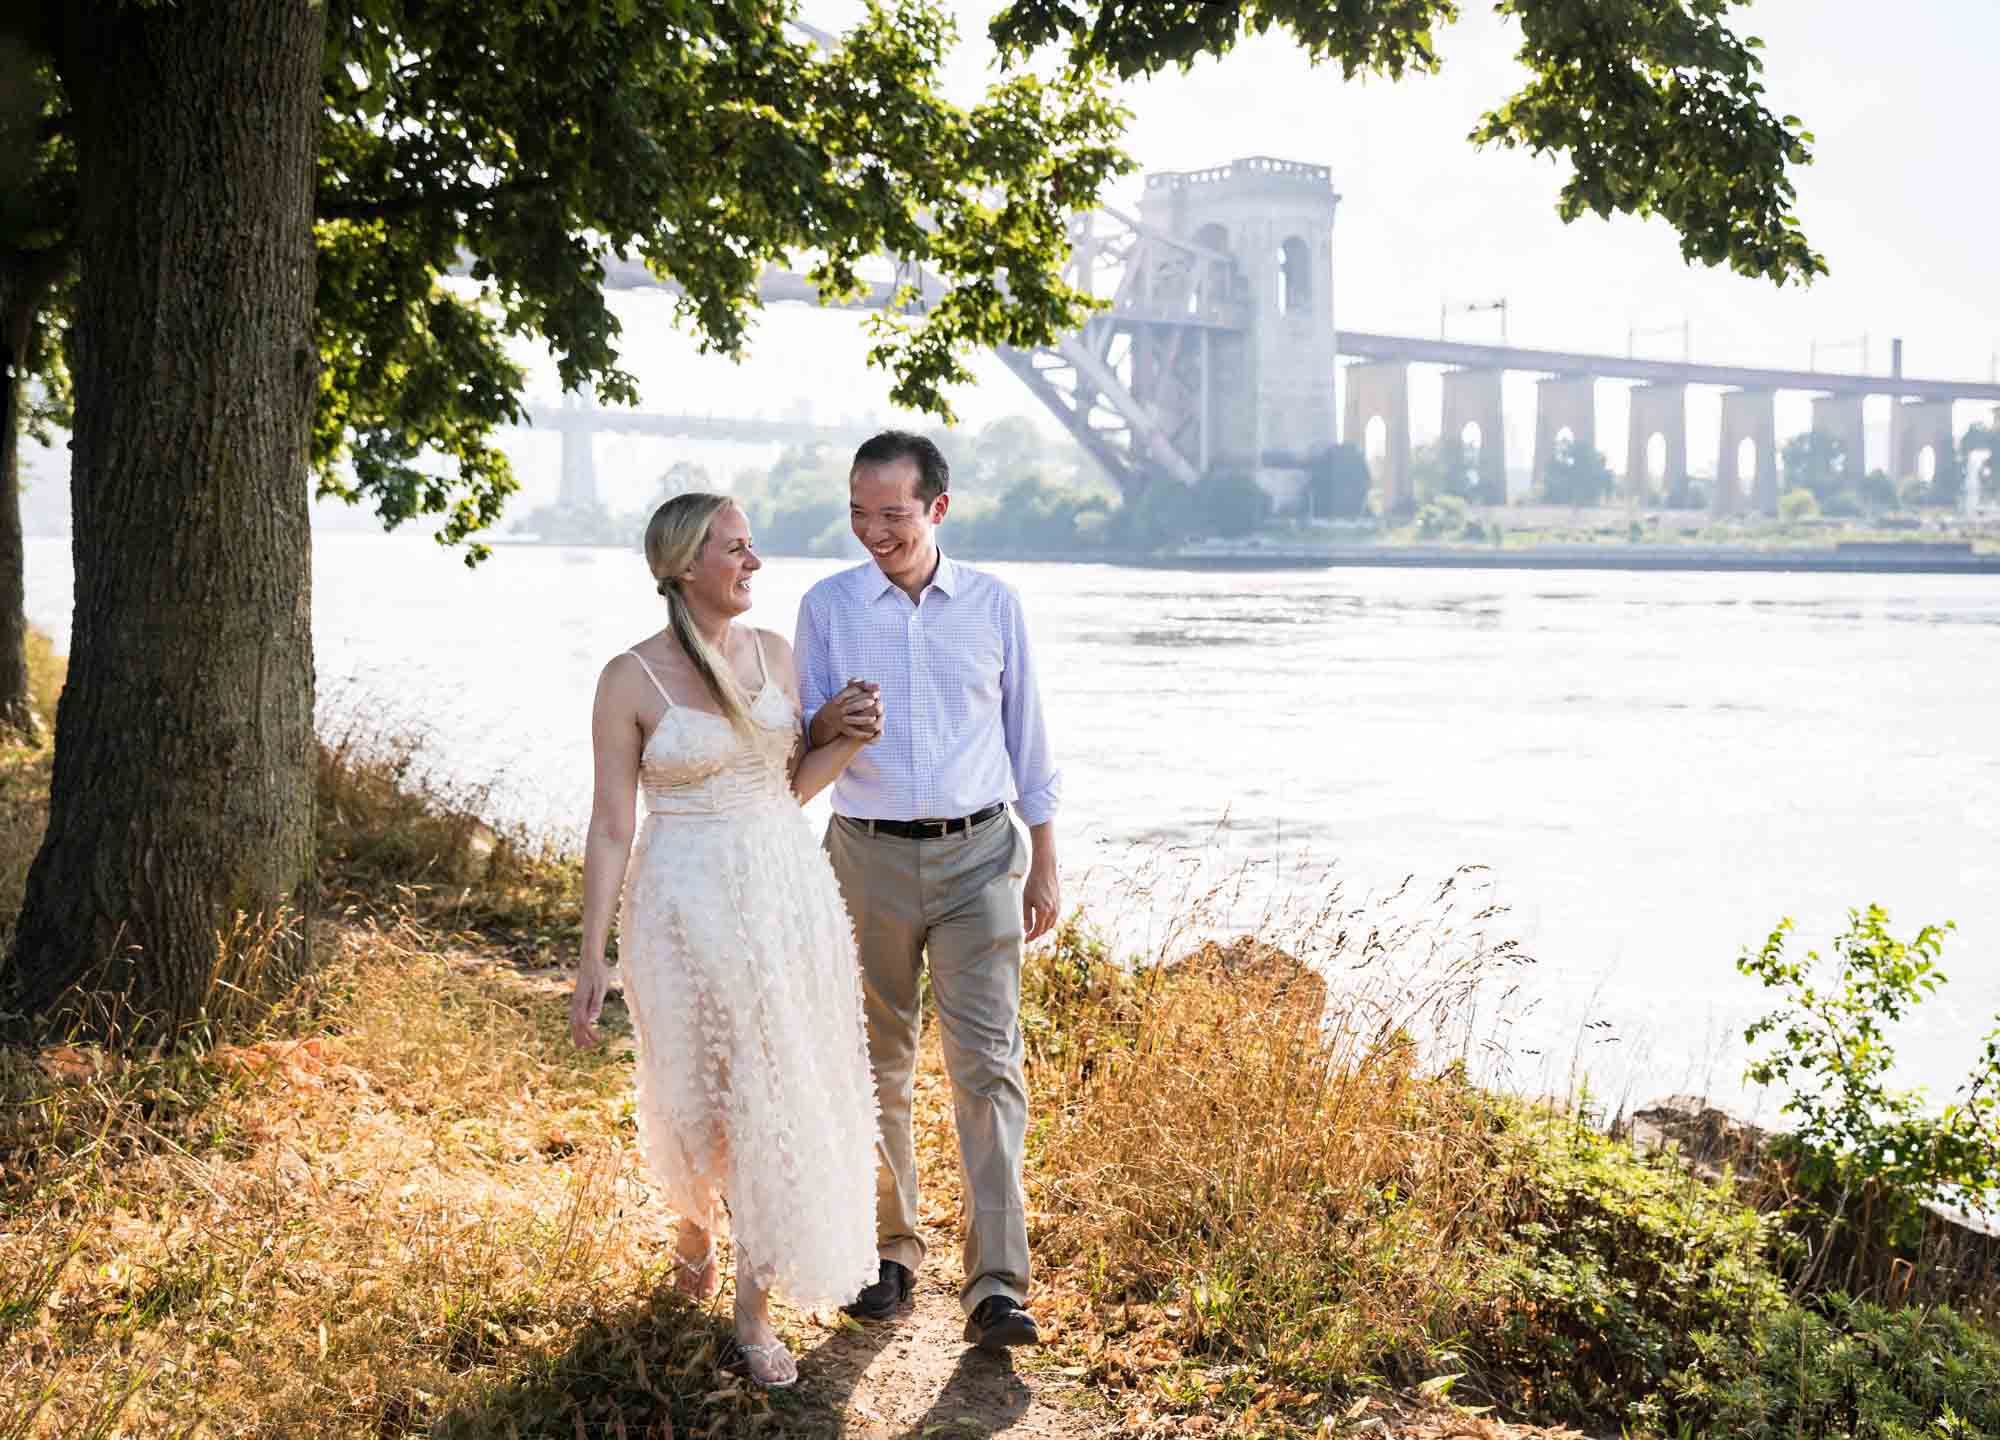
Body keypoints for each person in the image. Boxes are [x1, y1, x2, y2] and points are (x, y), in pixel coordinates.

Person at [571, 492, 887, 1388]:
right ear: (682, 565)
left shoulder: (777, 656)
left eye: (753, 549)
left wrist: (848, 746)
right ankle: (693, 1229)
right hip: (681, 903)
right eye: (737, 550)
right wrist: (591, 954)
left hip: (786, 896)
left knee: (770, 1087)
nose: (753, 564)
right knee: (697, 1089)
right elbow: (608, 826)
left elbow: (785, 787)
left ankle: (752, 1311)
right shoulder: (628, 679)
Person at [794, 430, 1062, 1352]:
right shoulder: (827, 607)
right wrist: (826, 721)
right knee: (877, 1063)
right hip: (863, 855)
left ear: (937, 509)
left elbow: (1029, 737)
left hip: (982, 854)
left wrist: (1048, 860)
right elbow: (798, 747)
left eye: (893, 514)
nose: (874, 529)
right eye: (860, 513)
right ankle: (890, 1256)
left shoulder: (994, 605)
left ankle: (996, 1284)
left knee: (988, 1065)